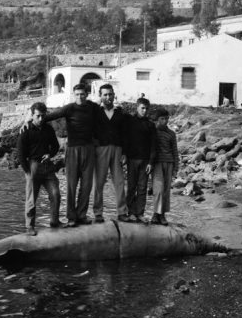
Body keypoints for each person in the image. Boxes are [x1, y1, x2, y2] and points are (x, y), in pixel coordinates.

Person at [43, 84, 97, 227]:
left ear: (87, 94)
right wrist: (30, 119)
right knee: (72, 185)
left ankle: (82, 215)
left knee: (87, 185)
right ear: (74, 94)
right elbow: (49, 116)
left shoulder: (93, 107)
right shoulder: (69, 108)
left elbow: (104, 119)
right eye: (77, 94)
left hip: (89, 149)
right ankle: (71, 216)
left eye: (82, 94)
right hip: (72, 150)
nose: (80, 97)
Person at [17, 102, 61, 236]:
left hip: (47, 167)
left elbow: (55, 146)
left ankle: (54, 221)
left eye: (43, 116)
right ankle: (29, 226)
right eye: (38, 116)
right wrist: (27, 172)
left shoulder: (49, 129)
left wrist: (50, 154)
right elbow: (20, 154)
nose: (41, 119)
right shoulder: (25, 131)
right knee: (31, 199)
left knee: (55, 194)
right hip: (33, 166)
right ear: (32, 115)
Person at [92, 84, 131, 223]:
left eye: (110, 94)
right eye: (105, 95)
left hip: (117, 150)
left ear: (114, 95)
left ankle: (122, 212)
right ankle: (98, 213)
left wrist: (125, 152)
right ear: (100, 96)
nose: (108, 97)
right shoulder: (95, 112)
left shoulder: (120, 114)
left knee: (119, 182)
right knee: (99, 183)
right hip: (101, 150)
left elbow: (126, 135)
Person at [124, 97, 157, 223]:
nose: (144, 111)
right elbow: (125, 140)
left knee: (142, 187)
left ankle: (140, 213)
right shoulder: (130, 122)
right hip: (132, 159)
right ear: (137, 107)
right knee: (132, 186)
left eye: (146, 109)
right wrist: (124, 155)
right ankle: (130, 212)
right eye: (142, 108)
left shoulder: (150, 125)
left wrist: (151, 162)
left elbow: (154, 145)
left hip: (145, 161)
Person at [151, 108, 179, 226]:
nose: (165, 121)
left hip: (169, 163)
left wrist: (176, 168)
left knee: (166, 190)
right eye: (162, 119)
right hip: (156, 163)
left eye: (167, 118)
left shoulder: (171, 134)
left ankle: (162, 215)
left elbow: (175, 151)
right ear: (157, 120)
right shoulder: (152, 132)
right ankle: (155, 214)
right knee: (158, 189)